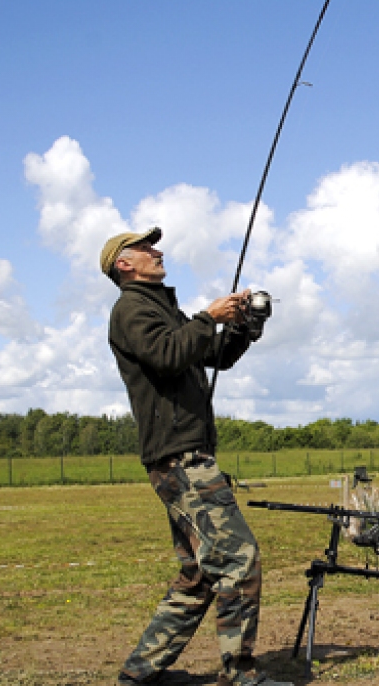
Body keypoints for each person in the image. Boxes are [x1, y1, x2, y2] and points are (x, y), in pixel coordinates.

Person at [100, 227, 290, 686]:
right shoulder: (131, 309)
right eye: (145, 247)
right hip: (179, 457)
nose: (157, 251)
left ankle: (140, 674)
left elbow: (214, 356)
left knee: (199, 574)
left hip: (185, 453)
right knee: (238, 559)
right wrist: (208, 316)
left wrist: (241, 326)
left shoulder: (161, 308)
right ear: (124, 263)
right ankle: (240, 675)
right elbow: (167, 355)